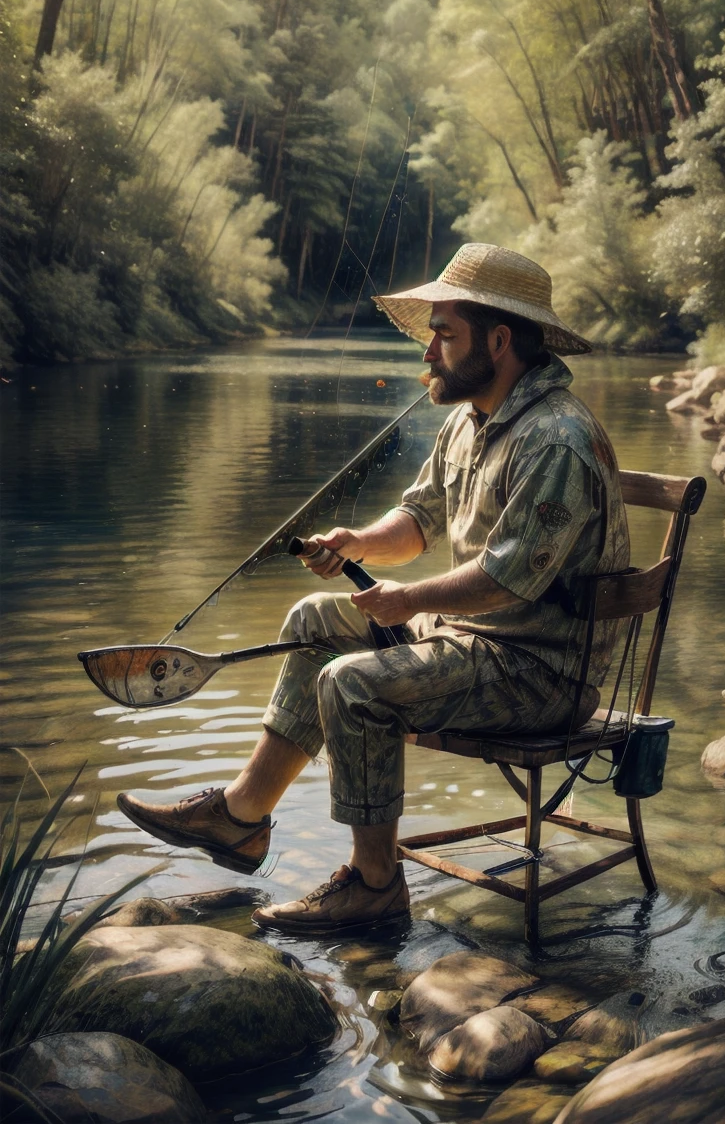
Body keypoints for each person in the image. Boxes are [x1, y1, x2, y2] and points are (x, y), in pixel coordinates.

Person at [118, 243, 630, 931]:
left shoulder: (556, 438)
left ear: (499, 340)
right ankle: (242, 818)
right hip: (475, 644)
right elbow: (420, 519)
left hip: (542, 674)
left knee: (352, 683)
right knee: (313, 619)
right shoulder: (469, 419)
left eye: (444, 335)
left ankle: (375, 885)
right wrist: (357, 543)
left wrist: (408, 599)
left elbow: (509, 579)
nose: (428, 354)